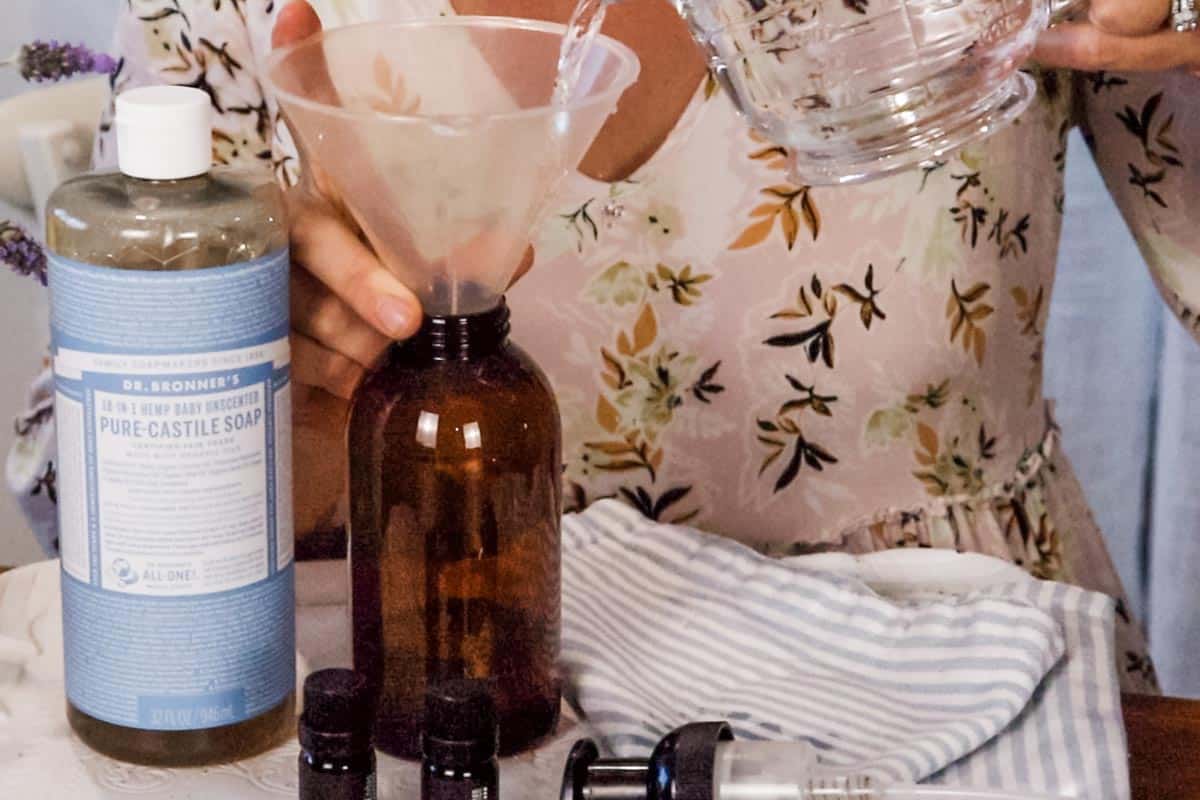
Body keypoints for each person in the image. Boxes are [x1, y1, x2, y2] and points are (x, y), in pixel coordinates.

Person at [10, 0, 1199, 692]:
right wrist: (271, 426)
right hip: (457, 710)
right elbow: (81, 505)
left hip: (988, 688)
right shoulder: (227, 17)